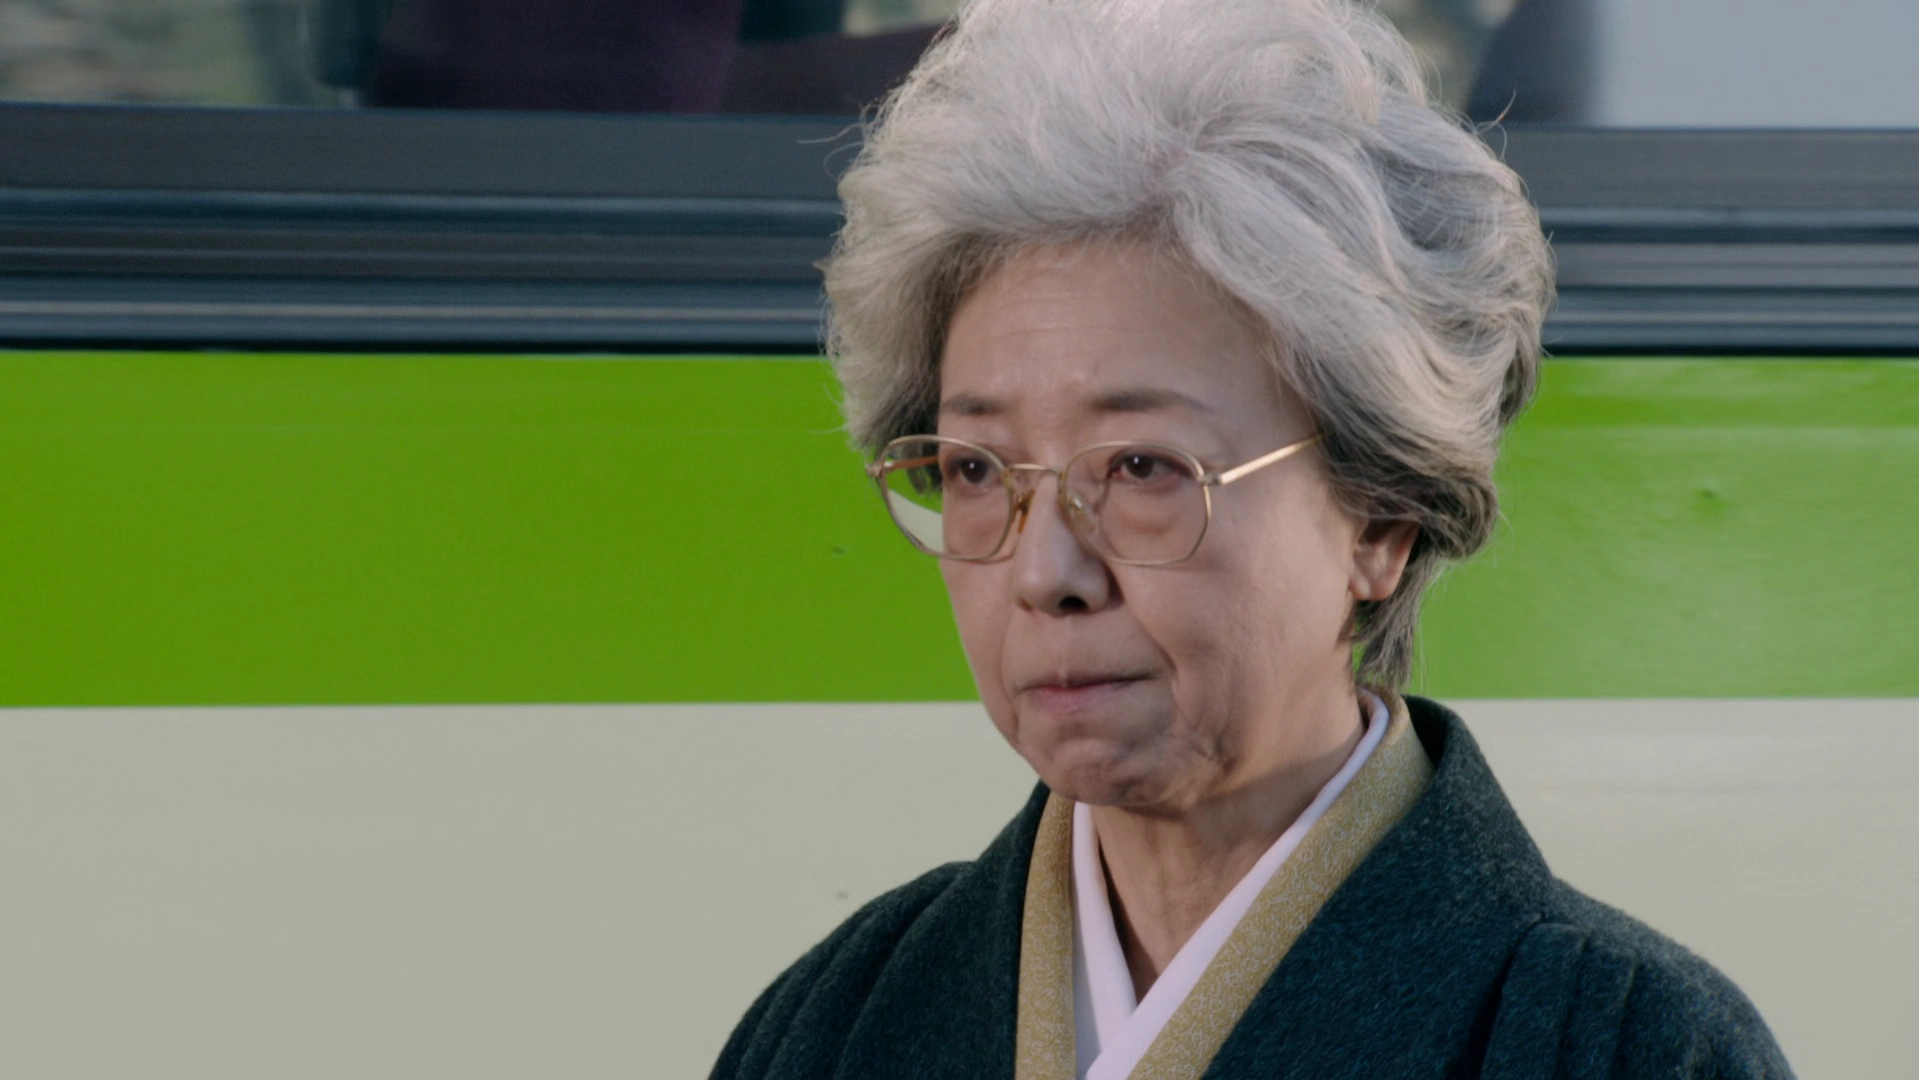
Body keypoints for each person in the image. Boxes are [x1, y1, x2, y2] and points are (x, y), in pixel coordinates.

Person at [712, 0, 1794, 1076]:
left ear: (1382, 512)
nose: (1044, 573)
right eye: (976, 471)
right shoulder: (837, 1022)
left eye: (1141, 467)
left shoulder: (1627, 1047)